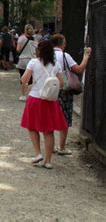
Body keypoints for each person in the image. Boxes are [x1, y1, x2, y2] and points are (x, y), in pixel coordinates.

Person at [20, 40, 67, 169]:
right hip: (50, 100)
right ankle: (48, 161)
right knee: (48, 131)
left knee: (32, 126)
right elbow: (62, 83)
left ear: (38, 51)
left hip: (35, 98)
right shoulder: (56, 64)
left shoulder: (33, 63)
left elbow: (24, 80)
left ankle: (37, 153)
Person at [50, 34, 91, 155]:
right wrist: (86, 57)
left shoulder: (46, 54)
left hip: (49, 89)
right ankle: (61, 147)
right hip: (63, 89)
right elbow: (78, 69)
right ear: (62, 43)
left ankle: (50, 145)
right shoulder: (64, 55)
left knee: (50, 115)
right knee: (64, 117)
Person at [16, 24, 38, 101]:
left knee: (23, 78)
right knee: (31, 79)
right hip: (32, 60)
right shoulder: (35, 40)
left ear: (25, 30)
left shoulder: (21, 38)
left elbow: (18, 49)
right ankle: (30, 95)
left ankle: (23, 95)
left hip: (22, 60)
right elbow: (37, 51)